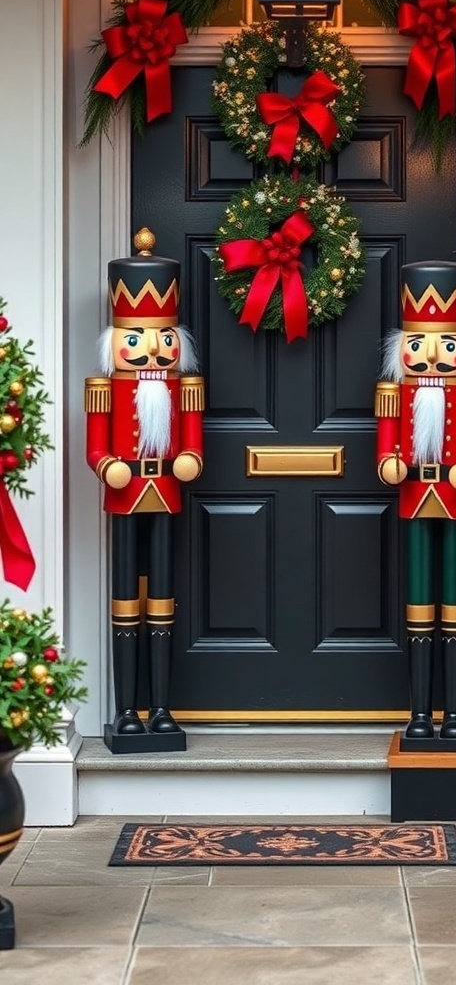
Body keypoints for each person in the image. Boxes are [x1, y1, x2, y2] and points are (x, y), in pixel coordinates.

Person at [85, 228, 204, 750]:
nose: (151, 348)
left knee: (161, 599)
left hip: (165, 494)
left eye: (161, 338)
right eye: (135, 338)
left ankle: (161, 707)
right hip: (125, 493)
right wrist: (107, 463)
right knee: (123, 600)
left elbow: (194, 445)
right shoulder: (105, 387)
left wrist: (189, 460)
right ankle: (125, 709)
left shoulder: (185, 387)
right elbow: (95, 447)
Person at [375, 261, 456, 740]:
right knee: (420, 606)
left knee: (455, 608)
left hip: (455, 499)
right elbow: (385, 448)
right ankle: (420, 713)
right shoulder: (395, 393)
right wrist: (389, 465)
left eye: (447, 345)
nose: (432, 357)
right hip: (414, 499)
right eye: (421, 345)